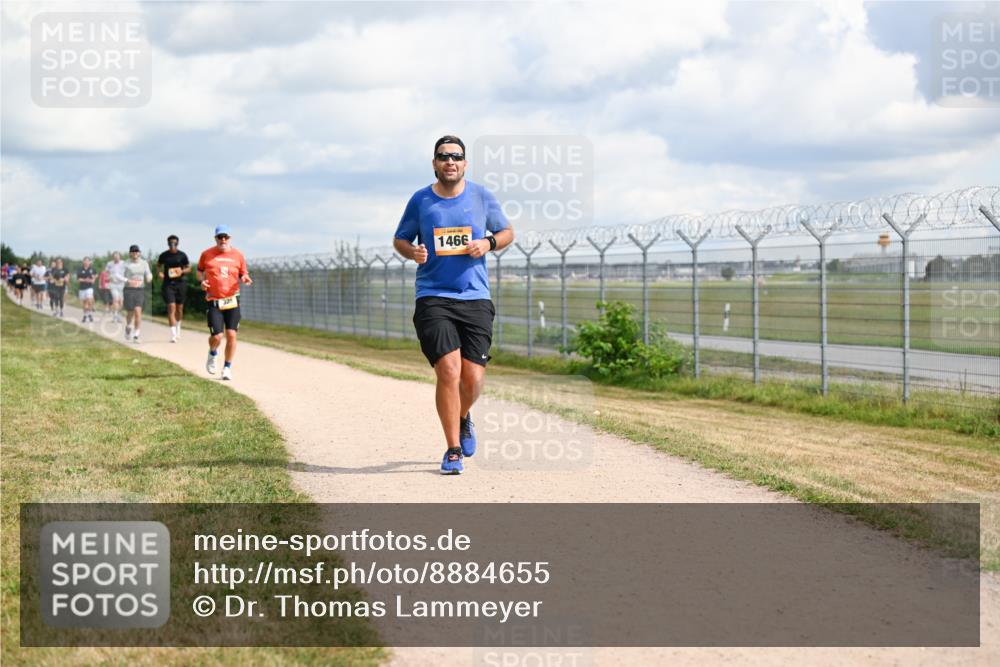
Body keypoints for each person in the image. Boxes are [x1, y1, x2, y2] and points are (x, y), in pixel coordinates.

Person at [392, 135, 514, 475]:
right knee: (448, 370)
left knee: (472, 378)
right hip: (433, 296)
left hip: (474, 297)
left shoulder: (481, 196)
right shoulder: (421, 200)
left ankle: (462, 416)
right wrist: (412, 252)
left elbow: (507, 232)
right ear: (434, 163)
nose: (450, 161)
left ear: (465, 163)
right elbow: (400, 239)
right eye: (444, 156)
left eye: (456, 156)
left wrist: (488, 243)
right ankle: (453, 449)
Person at [198, 225, 252, 381]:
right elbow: (200, 270)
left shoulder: (238, 255)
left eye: (225, 237)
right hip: (214, 300)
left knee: (231, 335)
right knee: (217, 336)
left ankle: (227, 367)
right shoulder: (206, 254)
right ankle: (212, 353)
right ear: (215, 238)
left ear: (230, 238)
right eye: (220, 237)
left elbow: (243, 272)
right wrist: (202, 282)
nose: (223, 240)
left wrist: (245, 277)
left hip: (232, 300)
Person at [157, 234, 191, 343]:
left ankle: (178, 327)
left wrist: (182, 271)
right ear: (168, 243)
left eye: (174, 242)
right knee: (171, 307)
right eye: (171, 242)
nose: (172, 244)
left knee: (179, 308)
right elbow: (158, 265)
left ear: (177, 243)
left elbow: (189, 268)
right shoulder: (164, 255)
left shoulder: (182, 255)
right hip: (168, 284)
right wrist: (159, 273)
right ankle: (173, 334)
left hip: (180, 284)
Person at [122, 245, 152, 342]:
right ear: (130, 253)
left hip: (140, 289)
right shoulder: (126, 263)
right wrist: (128, 280)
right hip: (128, 289)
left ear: (139, 253)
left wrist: (149, 277)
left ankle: (136, 335)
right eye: (133, 251)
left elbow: (148, 273)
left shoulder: (144, 263)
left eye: (137, 251)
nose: (135, 253)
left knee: (138, 311)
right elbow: (119, 275)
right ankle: (128, 326)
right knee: (130, 312)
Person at [76, 256, 97, 322]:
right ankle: (85, 315)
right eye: (85, 261)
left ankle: (89, 314)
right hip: (82, 288)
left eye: (88, 261)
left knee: (89, 301)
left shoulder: (92, 269)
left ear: (89, 262)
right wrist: (85, 280)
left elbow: (94, 277)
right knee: (84, 303)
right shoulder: (80, 269)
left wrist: (92, 279)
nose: (86, 262)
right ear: (83, 262)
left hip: (89, 288)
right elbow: (78, 279)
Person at [107, 251, 126, 322]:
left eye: (117, 257)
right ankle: (115, 315)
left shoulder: (123, 263)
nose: (116, 258)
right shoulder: (109, 264)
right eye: (115, 257)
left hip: (121, 284)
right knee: (116, 299)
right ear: (113, 257)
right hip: (113, 284)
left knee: (121, 302)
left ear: (120, 257)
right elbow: (107, 273)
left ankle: (118, 314)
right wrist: (109, 277)